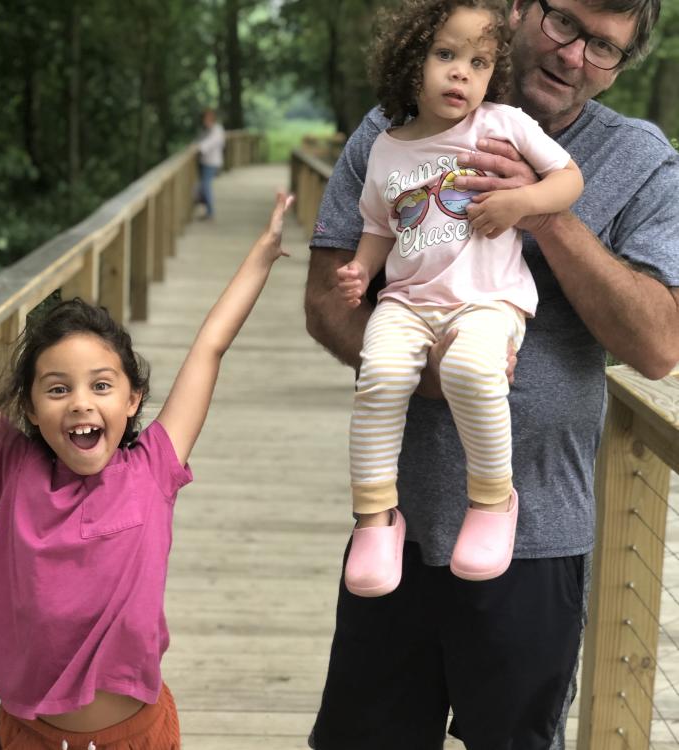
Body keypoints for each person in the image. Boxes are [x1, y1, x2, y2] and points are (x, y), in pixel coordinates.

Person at [304, 0, 678, 747]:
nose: (574, 56)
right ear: (518, 10)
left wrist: (541, 213)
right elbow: (327, 301)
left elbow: (659, 344)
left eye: (604, 48)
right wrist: (438, 372)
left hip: (538, 534)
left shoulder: (641, 160)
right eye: (565, 24)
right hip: (396, 526)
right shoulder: (392, 128)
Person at [0, 192, 294, 749]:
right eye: (57, 389)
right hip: (30, 737)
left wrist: (263, 254)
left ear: (132, 399)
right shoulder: (15, 467)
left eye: (101, 385)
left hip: (136, 738)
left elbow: (211, 346)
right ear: (28, 408)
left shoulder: (152, 467)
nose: (80, 402)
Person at [337, 0, 583, 598]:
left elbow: (568, 179)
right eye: (445, 55)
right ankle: (375, 517)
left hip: (487, 300)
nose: (459, 74)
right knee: (381, 376)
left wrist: (519, 204)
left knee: (475, 371)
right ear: (411, 60)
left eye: (477, 63)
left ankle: (493, 501)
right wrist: (360, 268)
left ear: (492, 75)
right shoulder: (387, 147)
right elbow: (378, 226)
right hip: (407, 300)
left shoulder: (501, 125)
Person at [196, 108, 226, 220]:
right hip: (206, 162)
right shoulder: (208, 129)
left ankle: (210, 212)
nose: (204, 120)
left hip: (211, 163)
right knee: (204, 186)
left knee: (206, 186)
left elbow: (210, 143)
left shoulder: (217, 130)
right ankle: (208, 210)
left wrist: (199, 147)